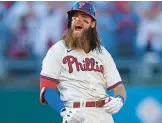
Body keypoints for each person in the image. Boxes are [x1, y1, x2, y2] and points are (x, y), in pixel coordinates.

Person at [40, 1, 126, 123]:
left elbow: (118, 86)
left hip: (103, 115)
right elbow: (46, 89)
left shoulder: (103, 53)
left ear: (93, 24)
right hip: (76, 114)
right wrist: (63, 110)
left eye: (84, 17)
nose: (78, 20)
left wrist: (119, 99)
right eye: (75, 17)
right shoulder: (57, 50)